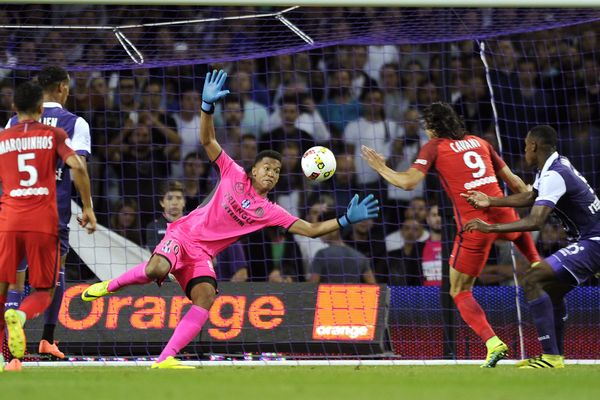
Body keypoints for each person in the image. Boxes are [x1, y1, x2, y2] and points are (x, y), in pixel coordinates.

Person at [81, 70, 379, 369]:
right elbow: (207, 138)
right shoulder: (232, 172)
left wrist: (344, 220)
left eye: (276, 171)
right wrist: (207, 107)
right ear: (253, 169)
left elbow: (312, 230)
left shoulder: (270, 210)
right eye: (266, 167)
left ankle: (165, 359)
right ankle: (110, 286)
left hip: (203, 254)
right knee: (157, 267)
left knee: (206, 297)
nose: (272, 173)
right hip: (183, 235)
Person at [361, 101, 541, 368]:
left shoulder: (434, 147)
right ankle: (537, 261)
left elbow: (408, 183)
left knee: (459, 290)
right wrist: (533, 196)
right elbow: (514, 181)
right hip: (502, 211)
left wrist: (381, 168)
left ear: (433, 127)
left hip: (474, 225)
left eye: (427, 127)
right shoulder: (480, 142)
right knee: (514, 227)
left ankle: (493, 342)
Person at [463, 125, 600, 369]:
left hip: (593, 242)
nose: (524, 150)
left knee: (532, 279)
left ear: (534, 146)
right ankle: (555, 358)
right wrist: (491, 200)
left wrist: (490, 228)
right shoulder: (555, 166)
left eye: (526, 145)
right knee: (552, 291)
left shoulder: (554, 175)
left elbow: (536, 221)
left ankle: (549, 356)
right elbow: (530, 197)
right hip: (589, 241)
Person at [0, 81, 95, 371]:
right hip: (44, 219)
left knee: (6, 288)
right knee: (44, 289)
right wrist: (88, 208)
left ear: (14, 108)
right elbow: (78, 166)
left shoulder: (3, 137)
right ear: (41, 108)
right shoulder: (55, 134)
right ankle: (25, 318)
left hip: (10, 218)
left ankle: (10, 358)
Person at [309, 210, 376, 284]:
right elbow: (374, 287)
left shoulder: (321, 254)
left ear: (334, 230)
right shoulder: (360, 257)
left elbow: (311, 287)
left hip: (328, 295)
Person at [145, 181, 186, 250]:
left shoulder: (192, 226)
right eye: (169, 198)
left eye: (178, 198)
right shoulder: (153, 227)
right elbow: (156, 254)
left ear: (184, 202)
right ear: (162, 203)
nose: (174, 202)